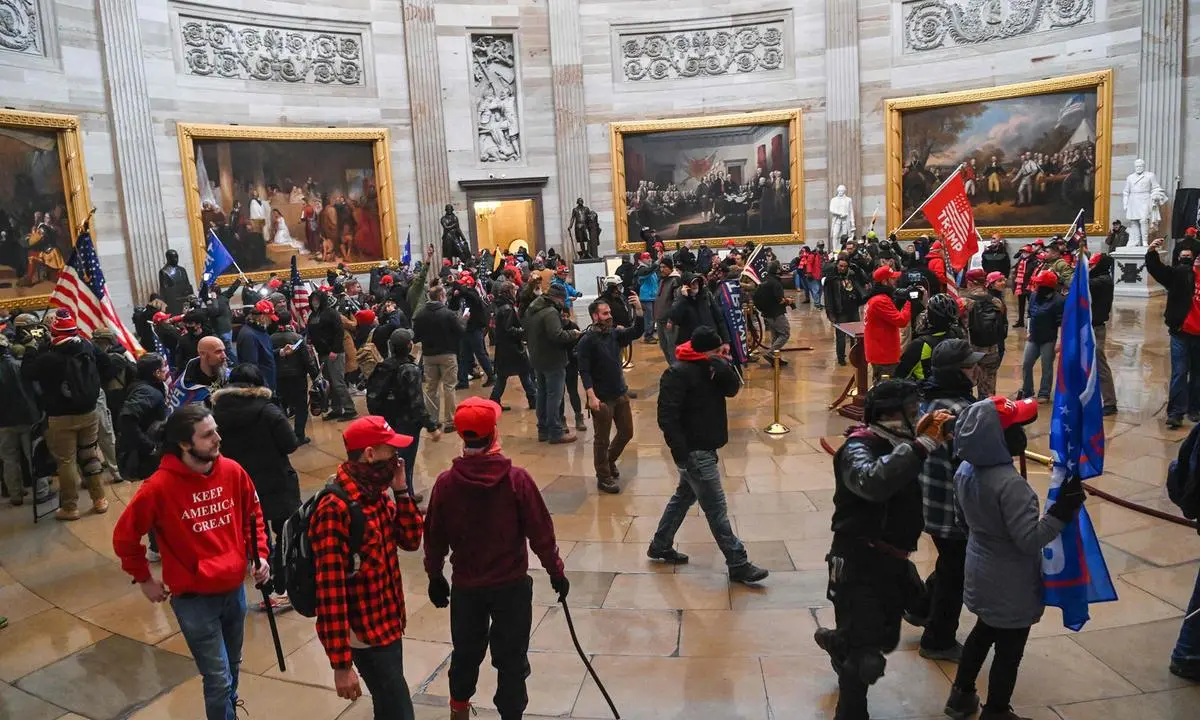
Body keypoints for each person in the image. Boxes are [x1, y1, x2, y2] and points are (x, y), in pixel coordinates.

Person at [112, 404, 271, 720]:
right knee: (217, 678)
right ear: (185, 444)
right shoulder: (158, 488)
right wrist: (143, 578)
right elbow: (124, 537)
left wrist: (260, 553)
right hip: (194, 600)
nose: (218, 438)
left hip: (234, 590)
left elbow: (252, 514)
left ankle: (228, 711)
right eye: (208, 434)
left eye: (216, 430)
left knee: (232, 668)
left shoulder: (232, 471)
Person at [813, 380, 952, 720]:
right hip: (859, 559)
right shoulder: (859, 447)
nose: (917, 416)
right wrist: (920, 445)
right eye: (911, 410)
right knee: (866, 658)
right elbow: (871, 482)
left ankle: (837, 641)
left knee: (895, 629)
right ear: (892, 414)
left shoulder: (900, 443)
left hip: (894, 560)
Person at [423, 397, 569, 720]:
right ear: (494, 434)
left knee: (465, 654)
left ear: (462, 437)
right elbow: (541, 532)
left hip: (467, 586)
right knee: (512, 660)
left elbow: (434, 536)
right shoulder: (517, 480)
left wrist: (435, 575)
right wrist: (556, 572)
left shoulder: (446, 484)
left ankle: (458, 711)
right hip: (511, 586)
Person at [943, 397, 1083, 720]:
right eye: (1017, 427)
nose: (1023, 433)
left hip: (980, 568)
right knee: (1009, 650)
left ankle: (961, 695)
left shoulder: (965, 470)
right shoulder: (1011, 486)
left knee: (982, 632)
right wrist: (1062, 512)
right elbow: (1029, 539)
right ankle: (996, 710)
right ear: (998, 439)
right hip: (1011, 582)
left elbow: (963, 521)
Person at [311, 416, 423, 718]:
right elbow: (330, 590)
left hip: (388, 620)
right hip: (364, 632)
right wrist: (341, 664)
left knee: (388, 706)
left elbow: (411, 540)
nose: (398, 459)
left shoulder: (376, 492)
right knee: (399, 710)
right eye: (392, 451)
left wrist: (401, 492)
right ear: (370, 454)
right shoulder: (336, 508)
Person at [648, 326, 770, 584]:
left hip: (706, 446)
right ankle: (738, 562)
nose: (722, 353)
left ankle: (660, 544)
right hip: (694, 451)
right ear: (704, 351)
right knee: (716, 510)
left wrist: (722, 365)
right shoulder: (677, 373)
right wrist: (681, 453)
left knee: (683, 497)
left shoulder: (712, 369)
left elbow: (733, 389)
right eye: (717, 351)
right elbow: (666, 416)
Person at [912, 340, 982, 662]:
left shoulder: (927, 400)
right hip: (950, 510)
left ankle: (922, 607)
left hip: (928, 501)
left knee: (951, 562)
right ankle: (938, 639)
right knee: (957, 570)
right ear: (956, 373)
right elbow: (971, 464)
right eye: (969, 366)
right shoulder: (960, 413)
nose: (975, 370)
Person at [211, 363, 300, 610]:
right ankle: (283, 589)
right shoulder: (269, 411)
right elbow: (290, 443)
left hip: (241, 484)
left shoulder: (216, 413)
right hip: (276, 480)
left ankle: (266, 589)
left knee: (254, 537)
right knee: (285, 534)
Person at [25, 310, 111, 521]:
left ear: (53, 332)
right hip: (88, 411)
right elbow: (108, 366)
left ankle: (70, 507)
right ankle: (99, 500)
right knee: (90, 455)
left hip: (59, 416)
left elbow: (27, 373)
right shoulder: (87, 346)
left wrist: (30, 348)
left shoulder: (48, 357)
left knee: (66, 461)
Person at [578, 296, 644, 494]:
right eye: (605, 314)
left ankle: (609, 460)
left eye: (609, 313)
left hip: (619, 392)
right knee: (602, 439)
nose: (609, 316)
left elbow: (636, 331)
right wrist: (590, 395)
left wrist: (639, 310)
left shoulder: (615, 334)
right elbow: (584, 370)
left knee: (626, 432)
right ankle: (603, 476)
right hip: (601, 397)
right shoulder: (587, 340)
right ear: (594, 316)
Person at [369, 329, 443, 501]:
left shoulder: (384, 365)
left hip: (387, 421)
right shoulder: (410, 370)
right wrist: (432, 426)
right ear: (409, 346)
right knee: (404, 462)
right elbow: (417, 403)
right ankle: (405, 497)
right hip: (407, 423)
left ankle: (405, 493)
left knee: (393, 460)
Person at [1145, 238, 1200, 428]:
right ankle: (1176, 412)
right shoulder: (1179, 274)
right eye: (1183, 256)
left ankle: (1195, 409)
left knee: (1197, 374)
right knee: (1179, 372)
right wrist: (1152, 251)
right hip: (1181, 331)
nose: (1187, 259)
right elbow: (1159, 270)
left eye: (1190, 256)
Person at [524, 284, 581, 444]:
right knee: (554, 396)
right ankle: (555, 432)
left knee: (542, 394)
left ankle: (543, 430)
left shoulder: (534, 308)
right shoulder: (550, 312)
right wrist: (573, 333)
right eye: (563, 299)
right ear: (558, 298)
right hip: (553, 359)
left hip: (537, 357)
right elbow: (557, 335)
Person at [0, 334, 50, 506]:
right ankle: (41, 492)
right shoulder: (20, 367)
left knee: (9, 459)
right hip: (28, 417)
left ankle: (15, 494)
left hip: (3, 422)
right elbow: (37, 391)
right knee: (34, 456)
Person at [413, 283, 466, 432]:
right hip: (447, 353)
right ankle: (450, 421)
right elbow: (460, 332)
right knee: (449, 387)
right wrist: (463, 320)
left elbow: (416, 337)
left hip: (429, 355)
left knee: (431, 388)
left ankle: (433, 420)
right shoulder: (448, 314)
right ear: (442, 296)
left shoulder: (420, 315)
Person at [308, 288, 357, 421]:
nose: (314, 302)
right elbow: (312, 332)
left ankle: (350, 409)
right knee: (329, 383)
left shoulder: (331, 313)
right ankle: (336, 409)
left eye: (317, 300)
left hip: (335, 353)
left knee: (338, 382)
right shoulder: (312, 315)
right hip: (322, 353)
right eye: (312, 300)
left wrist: (335, 350)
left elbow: (339, 333)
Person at [488, 281, 536, 411]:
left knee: (503, 377)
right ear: (510, 292)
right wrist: (523, 332)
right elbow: (509, 329)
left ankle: (494, 401)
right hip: (513, 348)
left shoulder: (500, 305)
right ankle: (533, 400)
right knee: (525, 373)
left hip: (504, 348)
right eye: (514, 290)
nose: (516, 293)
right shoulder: (508, 308)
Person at [271, 310, 317, 443]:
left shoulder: (270, 338)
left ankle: (285, 436)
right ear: (291, 321)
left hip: (279, 377)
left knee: (282, 407)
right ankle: (299, 436)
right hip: (297, 377)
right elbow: (307, 360)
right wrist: (315, 376)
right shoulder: (297, 338)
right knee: (301, 407)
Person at [863, 266, 914, 382]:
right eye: (892, 279)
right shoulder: (881, 301)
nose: (895, 281)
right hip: (884, 354)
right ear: (884, 282)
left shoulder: (876, 298)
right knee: (886, 391)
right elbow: (901, 321)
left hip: (879, 351)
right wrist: (909, 302)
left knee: (879, 385)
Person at [1020, 270, 1064, 402]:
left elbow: (1061, 322)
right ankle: (1027, 391)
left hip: (1049, 338)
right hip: (1034, 336)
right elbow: (1029, 314)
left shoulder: (1059, 301)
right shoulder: (1033, 296)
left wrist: (1059, 341)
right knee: (1026, 363)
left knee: (1047, 366)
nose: (1036, 286)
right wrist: (1028, 331)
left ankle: (1044, 393)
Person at [964, 273, 1008, 398]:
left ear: (970, 283)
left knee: (966, 390)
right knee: (988, 391)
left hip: (970, 351)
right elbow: (1003, 327)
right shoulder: (996, 302)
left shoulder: (964, 302)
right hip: (991, 349)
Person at [453, 272, 495, 389]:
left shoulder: (473, 294)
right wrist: (455, 293)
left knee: (480, 354)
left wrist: (458, 286)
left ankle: (491, 377)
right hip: (465, 330)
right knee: (463, 356)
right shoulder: (463, 296)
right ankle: (463, 381)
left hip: (475, 329)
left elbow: (470, 295)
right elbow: (453, 305)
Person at [1089, 253, 1118, 415]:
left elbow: (1085, 284)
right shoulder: (1098, 277)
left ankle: (1110, 402)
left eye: (1092, 266)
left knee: (1100, 365)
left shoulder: (1104, 280)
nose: (1090, 268)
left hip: (1096, 328)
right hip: (1086, 326)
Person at [825, 254, 867, 366]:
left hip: (853, 308)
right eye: (840, 266)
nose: (842, 268)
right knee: (841, 336)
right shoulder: (831, 279)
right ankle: (841, 358)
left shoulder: (852, 276)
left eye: (845, 266)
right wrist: (830, 314)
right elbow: (828, 298)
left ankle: (859, 355)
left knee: (858, 334)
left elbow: (862, 283)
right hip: (839, 310)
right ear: (837, 265)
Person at [754, 260, 795, 366]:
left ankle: (775, 358)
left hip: (766, 313)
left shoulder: (764, 280)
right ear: (777, 270)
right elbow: (780, 300)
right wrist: (789, 301)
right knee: (785, 334)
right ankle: (771, 353)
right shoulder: (776, 283)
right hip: (776, 313)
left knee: (776, 336)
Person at [171, 336, 229, 409]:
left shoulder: (223, 371)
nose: (224, 356)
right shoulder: (189, 394)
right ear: (202, 354)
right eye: (218, 352)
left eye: (224, 351)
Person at [234, 299, 278, 392]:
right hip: (262, 388)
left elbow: (264, 353)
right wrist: (263, 388)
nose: (270, 321)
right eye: (269, 318)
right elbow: (251, 367)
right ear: (262, 317)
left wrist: (280, 352)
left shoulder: (260, 330)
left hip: (269, 383)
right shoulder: (249, 336)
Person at [655, 257, 683, 363]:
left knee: (672, 348)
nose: (662, 269)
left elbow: (677, 301)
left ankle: (677, 371)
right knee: (664, 346)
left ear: (670, 268)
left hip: (669, 321)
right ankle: (672, 369)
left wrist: (671, 319)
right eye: (660, 267)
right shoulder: (663, 280)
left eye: (664, 267)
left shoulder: (675, 280)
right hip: (660, 319)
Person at [635, 252, 660, 343]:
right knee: (649, 318)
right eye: (646, 258)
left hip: (652, 296)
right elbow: (648, 271)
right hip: (646, 297)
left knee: (652, 317)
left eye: (649, 257)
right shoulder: (642, 270)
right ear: (641, 260)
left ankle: (650, 334)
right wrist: (657, 262)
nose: (649, 259)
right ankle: (648, 336)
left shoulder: (650, 270)